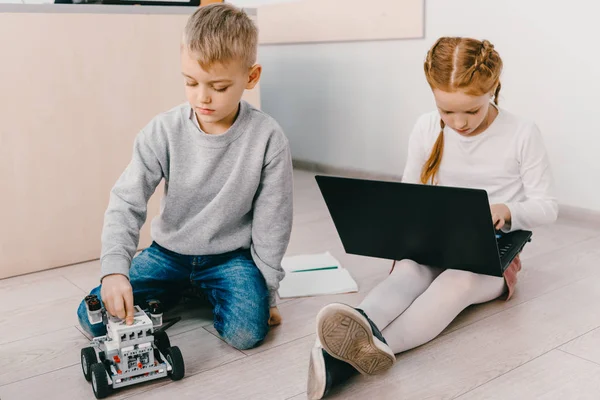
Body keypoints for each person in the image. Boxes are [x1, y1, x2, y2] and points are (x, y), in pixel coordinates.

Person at [307, 36, 558, 399]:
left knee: (453, 284)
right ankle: (357, 327)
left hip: (494, 253)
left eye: (471, 111)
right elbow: (409, 196)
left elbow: (547, 206)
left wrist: (507, 210)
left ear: (493, 90)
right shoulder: (426, 128)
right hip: (434, 243)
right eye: (447, 110)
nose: (459, 122)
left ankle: (349, 358)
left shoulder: (522, 132)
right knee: (408, 273)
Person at [77, 3, 293, 351]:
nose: (202, 97)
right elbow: (127, 200)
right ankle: (183, 292)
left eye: (219, 87)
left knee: (247, 333)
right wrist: (114, 270)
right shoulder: (162, 131)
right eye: (190, 82)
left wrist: (267, 294)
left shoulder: (268, 138)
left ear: (251, 77)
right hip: (168, 253)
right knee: (93, 316)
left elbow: (273, 222)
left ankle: (195, 294)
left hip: (229, 259)